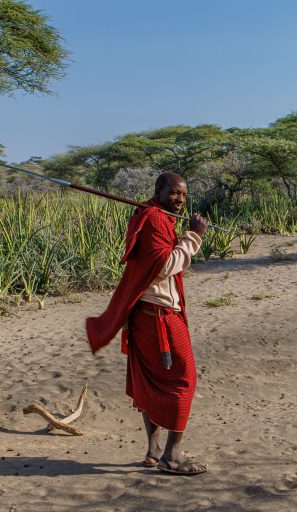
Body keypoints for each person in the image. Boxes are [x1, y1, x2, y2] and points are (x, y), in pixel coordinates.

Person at [86, 172, 208, 475]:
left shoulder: (155, 216)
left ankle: (154, 451)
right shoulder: (153, 219)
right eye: (174, 194)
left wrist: (184, 234)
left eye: (183, 195)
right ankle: (172, 456)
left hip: (146, 314)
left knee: (150, 380)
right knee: (184, 381)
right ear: (158, 191)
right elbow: (163, 265)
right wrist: (194, 237)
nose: (180, 200)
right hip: (158, 317)